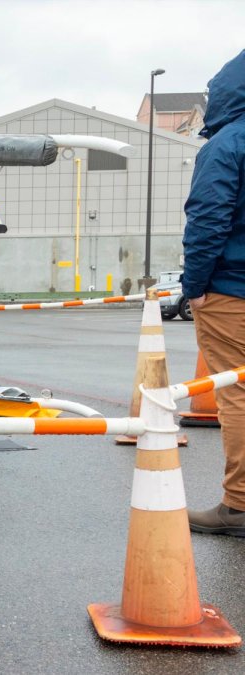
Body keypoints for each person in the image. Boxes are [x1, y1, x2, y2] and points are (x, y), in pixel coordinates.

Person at [183, 50, 245, 537]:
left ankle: (240, 506)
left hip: (232, 290)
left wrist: (195, 287)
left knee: (237, 395)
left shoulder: (227, 144)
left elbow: (209, 218)